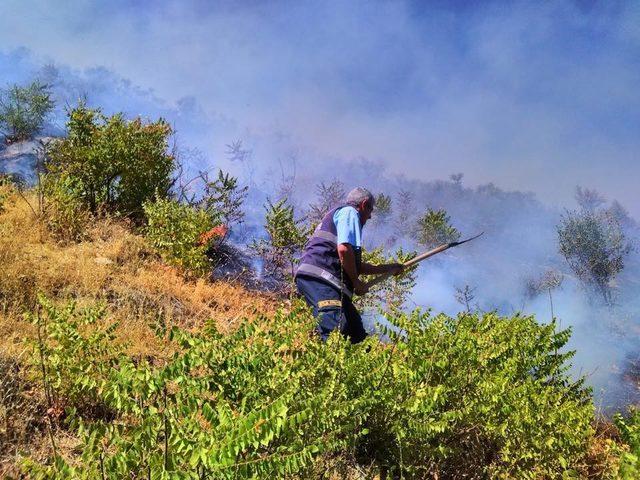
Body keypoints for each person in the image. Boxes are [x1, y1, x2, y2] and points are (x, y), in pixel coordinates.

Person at [295, 187, 403, 343]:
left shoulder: (344, 218)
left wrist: (389, 268)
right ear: (364, 204)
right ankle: (327, 364)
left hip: (328, 284)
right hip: (322, 280)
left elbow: (355, 265)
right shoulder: (350, 213)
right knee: (335, 333)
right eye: (370, 209)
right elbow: (344, 250)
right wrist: (356, 282)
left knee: (356, 334)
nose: (370, 216)